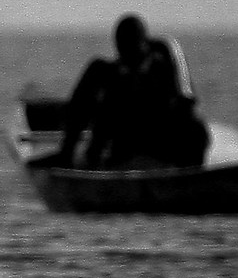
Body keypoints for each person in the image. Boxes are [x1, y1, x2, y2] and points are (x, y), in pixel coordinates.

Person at [59, 13, 210, 168]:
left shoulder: (164, 62)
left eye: (133, 52)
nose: (129, 59)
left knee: (194, 125)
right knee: (97, 69)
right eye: (124, 52)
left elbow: (187, 104)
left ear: (143, 45)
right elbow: (100, 118)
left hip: (163, 142)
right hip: (126, 148)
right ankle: (70, 158)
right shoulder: (112, 72)